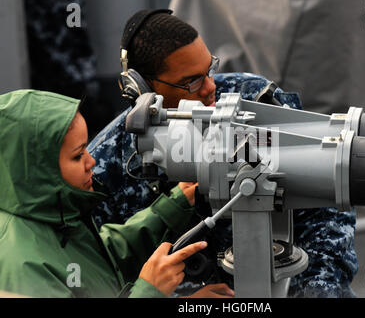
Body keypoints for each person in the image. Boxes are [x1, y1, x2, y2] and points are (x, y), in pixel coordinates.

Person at [88, 9, 357, 297]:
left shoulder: (253, 99)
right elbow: (97, 278)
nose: (211, 88)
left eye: (210, 70)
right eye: (192, 81)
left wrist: (316, 289)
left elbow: (327, 198)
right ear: (143, 90)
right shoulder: (105, 166)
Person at [0, 89, 234, 298]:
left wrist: (177, 202)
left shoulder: (52, 217)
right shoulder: (25, 269)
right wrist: (150, 290)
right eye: (77, 155)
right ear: (39, 170)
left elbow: (100, 263)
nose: (91, 161)